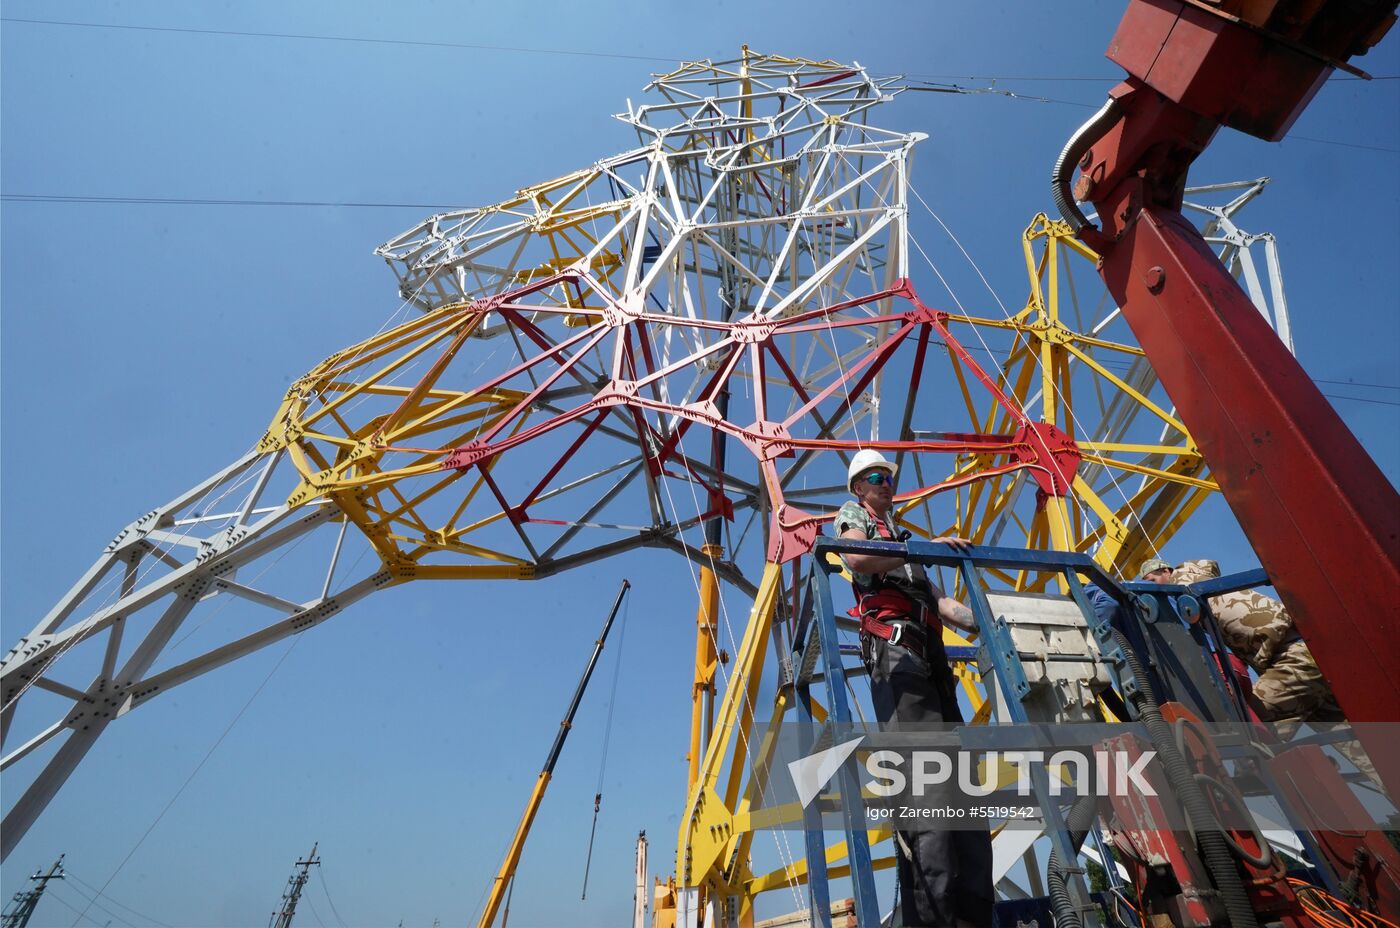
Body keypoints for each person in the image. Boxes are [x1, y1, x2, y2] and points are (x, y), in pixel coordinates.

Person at [835, 449, 993, 928]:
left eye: (889, 477)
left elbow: (944, 606)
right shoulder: (855, 519)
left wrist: (991, 625)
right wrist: (920, 548)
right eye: (876, 477)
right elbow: (855, 555)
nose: (887, 483)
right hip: (898, 660)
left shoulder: (905, 545)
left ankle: (974, 918)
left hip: (934, 664)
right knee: (929, 798)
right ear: (859, 487)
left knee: (965, 798)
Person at [1140, 558, 1379, 788]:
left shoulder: (1185, 585)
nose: (1151, 588)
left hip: (1292, 657)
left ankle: (1264, 769)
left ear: (1167, 571)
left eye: (1152, 580)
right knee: (1362, 750)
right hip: (1303, 654)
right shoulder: (1201, 584)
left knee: (1251, 726)